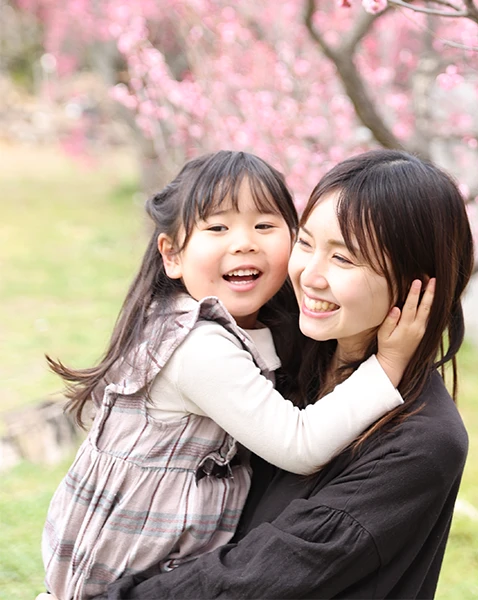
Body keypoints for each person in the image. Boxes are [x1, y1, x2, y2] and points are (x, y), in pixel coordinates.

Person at [41, 150, 433, 600]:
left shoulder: (254, 327)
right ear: (171, 254)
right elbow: (298, 444)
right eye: (217, 227)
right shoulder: (197, 347)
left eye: (265, 226)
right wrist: (387, 366)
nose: (244, 242)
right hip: (123, 565)